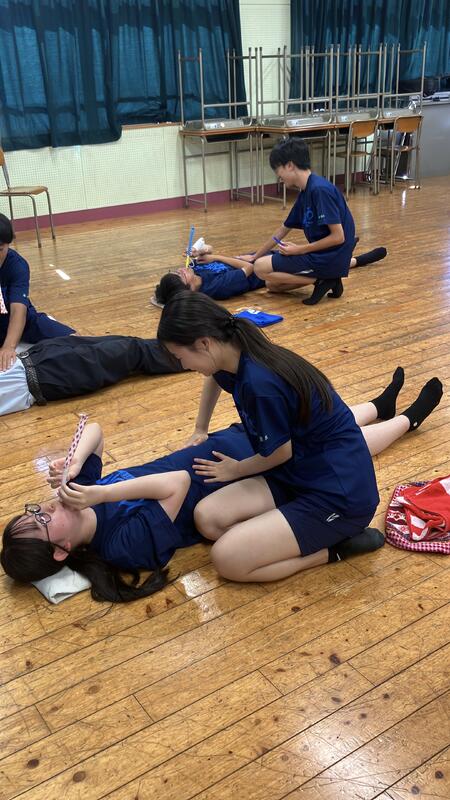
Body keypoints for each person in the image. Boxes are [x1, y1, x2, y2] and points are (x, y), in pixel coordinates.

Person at [1, 368, 443, 601]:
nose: (45, 508)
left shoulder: (81, 499)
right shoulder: (120, 545)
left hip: (223, 451)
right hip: (235, 475)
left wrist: (76, 461)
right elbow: (175, 484)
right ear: (61, 551)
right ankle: (408, 419)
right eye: (42, 523)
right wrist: (100, 492)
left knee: (324, 428)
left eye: (34, 511)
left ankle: (378, 405)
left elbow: (95, 429)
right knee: (332, 449)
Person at [157, 292, 443, 583]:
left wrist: (236, 469)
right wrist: (200, 428)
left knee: (227, 560)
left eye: (181, 357)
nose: (184, 365)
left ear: (204, 343)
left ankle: (335, 549)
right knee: (207, 518)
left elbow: (279, 452)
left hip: (337, 495)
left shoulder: (259, 383)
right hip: (296, 471)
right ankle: (286, 534)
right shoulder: (232, 354)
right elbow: (213, 378)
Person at [238, 138, 387, 305]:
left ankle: (322, 279)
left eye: (277, 170)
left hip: (329, 257)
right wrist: (255, 255)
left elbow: (338, 237)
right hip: (325, 256)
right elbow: (282, 229)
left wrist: (299, 250)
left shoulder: (319, 190)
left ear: (290, 165)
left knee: (260, 268)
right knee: (273, 285)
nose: (278, 176)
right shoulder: (306, 191)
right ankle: (327, 278)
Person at [0, 334, 185, 416]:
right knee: (132, 349)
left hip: (34, 355)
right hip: (45, 375)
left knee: (127, 342)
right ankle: (190, 355)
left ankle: (186, 347)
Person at [0, 214, 75, 372]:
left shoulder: (17, 265)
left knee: (74, 341)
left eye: (0, 249)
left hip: (25, 321)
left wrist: (9, 347)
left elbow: (18, 310)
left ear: (8, 244)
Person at [154, 251, 265, 306]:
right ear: (189, 289)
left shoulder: (194, 270)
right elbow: (249, 267)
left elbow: (209, 251)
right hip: (265, 267)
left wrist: (201, 250)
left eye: (176, 271)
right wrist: (216, 257)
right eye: (182, 275)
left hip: (256, 255)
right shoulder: (217, 287)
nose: (181, 269)